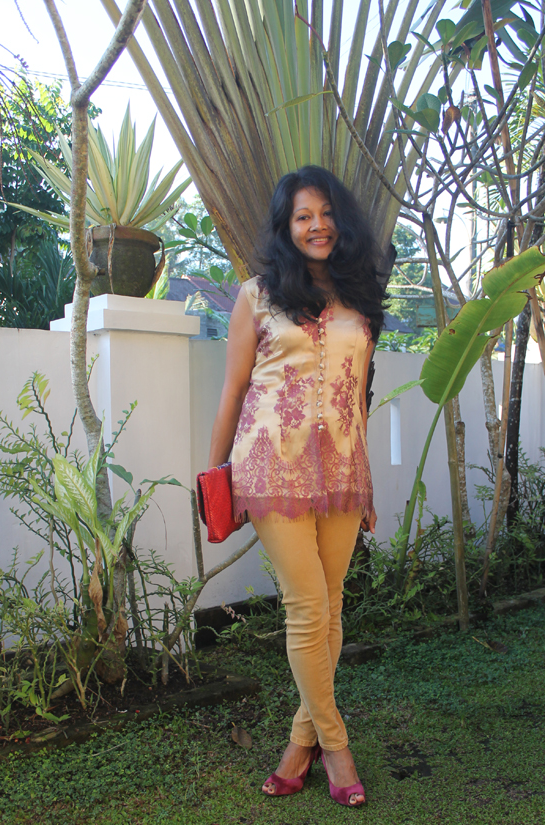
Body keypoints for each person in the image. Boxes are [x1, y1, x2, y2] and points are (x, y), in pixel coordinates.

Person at [207, 165, 385, 807]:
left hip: (341, 469)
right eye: (303, 216)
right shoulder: (256, 296)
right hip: (269, 465)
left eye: (327, 213)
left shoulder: (360, 298)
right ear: (286, 227)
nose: (318, 226)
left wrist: (367, 481)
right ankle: (337, 748)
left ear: (343, 220)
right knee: (308, 607)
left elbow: (356, 398)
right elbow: (233, 390)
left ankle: (299, 743)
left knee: (331, 608)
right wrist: (214, 476)